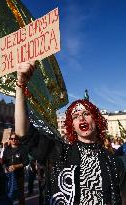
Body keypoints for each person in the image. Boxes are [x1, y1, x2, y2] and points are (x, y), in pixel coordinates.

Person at [14, 61, 123, 204]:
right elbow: (23, 133)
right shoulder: (59, 153)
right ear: (72, 125)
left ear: (96, 120)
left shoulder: (114, 162)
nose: (81, 118)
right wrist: (20, 86)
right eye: (76, 116)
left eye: (86, 113)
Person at [2, 131, 29, 205]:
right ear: (10, 139)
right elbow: (3, 161)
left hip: (19, 175)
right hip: (9, 175)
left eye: (15, 138)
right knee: (9, 193)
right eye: (12, 138)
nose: (13, 140)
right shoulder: (6, 149)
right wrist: (5, 168)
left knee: (20, 194)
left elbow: (26, 162)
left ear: (18, 139)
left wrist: (16, 166)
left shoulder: (22, 149)